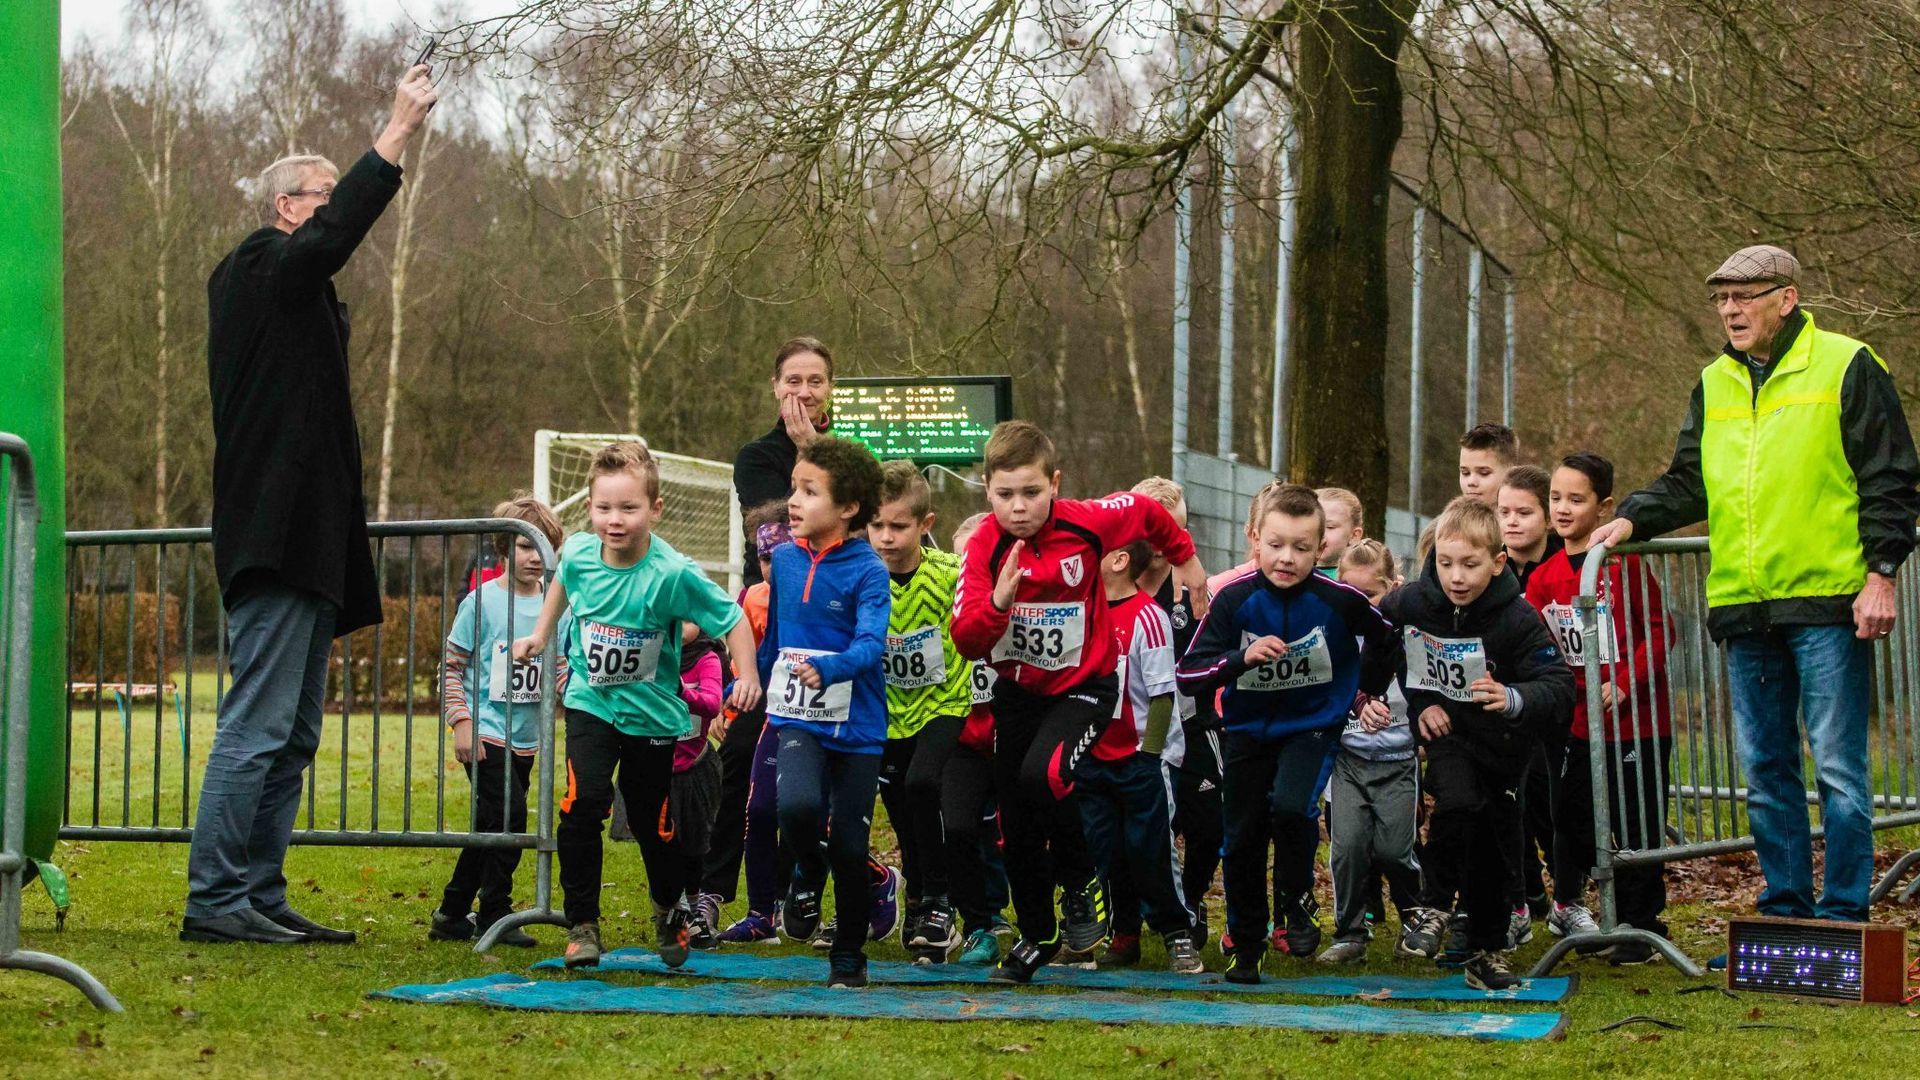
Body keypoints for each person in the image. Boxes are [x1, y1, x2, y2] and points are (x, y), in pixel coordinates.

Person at [184, 66, 439, 946]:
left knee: (291, 738)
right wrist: (396, 130)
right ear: (288, 208)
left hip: (313, 546)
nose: (335, 214)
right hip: (274, 536)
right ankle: (214, 899)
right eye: (323, 199)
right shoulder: (258, 266)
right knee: (254, 731)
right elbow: (331, 240)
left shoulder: (299, 293)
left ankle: (256, 891)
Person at [1594, 244, 1920, 930]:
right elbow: (1689, 480)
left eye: (1745, 295)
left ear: (1787, 298)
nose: (1730, 309)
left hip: (1831, 600)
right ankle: (1782, 912)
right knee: (1766, 773)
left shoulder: (1847, 364)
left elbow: (1891, 478)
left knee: (1836, 767)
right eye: (1720, 298)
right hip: (1745, 605)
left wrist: (1881, 574)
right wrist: (1628, 517)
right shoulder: (1713, 381)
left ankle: (1842, 918)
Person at [952, 421, 1210, 984]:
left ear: (1055, 484)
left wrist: (1185, 559)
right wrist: (999, 601)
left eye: (1031, 493)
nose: (1018, 508)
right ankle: (1038, 935)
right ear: (986, 490)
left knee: (1043, 774)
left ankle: (1081, 880)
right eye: (1004, 495)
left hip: (1085, 688)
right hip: (1019, 695)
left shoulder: (1087, 522)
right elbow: (968, 639)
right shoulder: (982, 549)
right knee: (1015, 823)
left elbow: (1148, 512)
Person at [510, 442, 762, 970]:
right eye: (604, 508)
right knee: (583, 805)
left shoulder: (672, 573)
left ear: (655, 509)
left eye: (628, 508)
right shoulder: (578, 552)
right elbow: (563, 584)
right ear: (590, 509)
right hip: (590, 703)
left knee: (652, 822)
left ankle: (669, 908)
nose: (614, 520)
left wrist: (748, 675)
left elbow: (733, 619)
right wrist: (539, 634)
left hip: (651, 715)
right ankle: (582, 925)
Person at [1177, 483, 1397, 984]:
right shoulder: (1235, 600)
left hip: (1312, 726)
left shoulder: (1338, 599)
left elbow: (1388, 635)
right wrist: (1239, 659)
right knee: (1243, 835)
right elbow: (1188, 672)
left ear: (1322, 548)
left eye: (1301, 548)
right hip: (1247, 732)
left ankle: (1297, 905)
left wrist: (1362, 691)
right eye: (1276, 545)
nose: (1287, 558)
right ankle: (1247, 943)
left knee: (1291, 805)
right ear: (1255, 539)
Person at [1380, 497, 1574, 990]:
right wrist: (1419, 702)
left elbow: (1557, 684)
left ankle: (1487, 953)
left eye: (1470, 565)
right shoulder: (1415, 601)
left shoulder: (1517, 618)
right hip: (1448, 737)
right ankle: (1433, 905)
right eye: (1445, 564)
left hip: (1505, 747)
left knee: (1494, 847)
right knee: (1459, 802)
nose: (1456, 578)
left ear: (1498, 562)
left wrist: (1510, 696)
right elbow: (1384, 635)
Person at [1530, 452, 1674, 965]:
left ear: (1604, 506)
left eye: (1577, 499)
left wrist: (1625, 683)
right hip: (1577, 726)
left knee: (1637, 827)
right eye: (1556, 499)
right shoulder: (1543, 578)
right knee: (1570, 818)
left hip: (1638, 725)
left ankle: (1640, 926)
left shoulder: (1624, 564)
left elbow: (1661, 632)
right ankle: (1574, 907)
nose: (1563, 509)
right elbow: (1540, 646)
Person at [760, 435, 892, 988]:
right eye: (794, 487)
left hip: (857, 726)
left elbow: (872, 644)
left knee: (851, 845)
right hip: (797, 718)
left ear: (847, 508)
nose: (793, 501)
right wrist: (751, 681)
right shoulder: (785, 561)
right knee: (794, 809)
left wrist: (832, 668)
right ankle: (807, 874)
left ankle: (848, 957)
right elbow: (777, 640)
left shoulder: (869, 571)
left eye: (809, 492)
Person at [429, 495, 570, 949]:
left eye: (544, 547)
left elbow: (561, 664)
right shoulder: (481, 601)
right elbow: (451, 666)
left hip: (528, 736)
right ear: (503, 549)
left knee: (492, 822)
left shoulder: (557, 604)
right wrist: (461, 722)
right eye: (526, 546)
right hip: (486, 730)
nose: (535, 556)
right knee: (507, 815)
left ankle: (452, 912)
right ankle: (495, 909)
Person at [1075, 538, 1205, 974]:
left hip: (1138, 758)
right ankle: (1124, 932)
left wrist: (1150, 758)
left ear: (1119, 559)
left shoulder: (1148, 617)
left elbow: (1163, 695)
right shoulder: (1083, 610)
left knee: (1149, 849)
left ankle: (1177, 932)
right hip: (1092, 758)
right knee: (1107, 849)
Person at [869, 461, 974, 961]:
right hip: (886, 713)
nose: (886, 537)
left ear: (925, 525)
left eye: (898, 526)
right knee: (905, 814)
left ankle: (940, 901)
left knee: (922, 784)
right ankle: (917, 901)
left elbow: (988, 599)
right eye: (877, 526)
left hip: (944, 703)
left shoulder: (951, 574)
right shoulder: (863, 580)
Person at [1319, 539, 1426, 965]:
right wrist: (1357, 705)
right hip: (1348, 761)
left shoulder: (1409, 638)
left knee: (1394, 851)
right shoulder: (1334, 636)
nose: (1359, 605)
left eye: (1370, 596)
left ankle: (1416, 921)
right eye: (1349, 593)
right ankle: (1349, 932)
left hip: (1399, 761)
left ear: (1394, 587)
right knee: (1348, 847)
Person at [1129, 477, 1222, 954]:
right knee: (1140, 824)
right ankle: (1131, 918)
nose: (1167, 545)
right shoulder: (1112, 582)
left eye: (1178, 532)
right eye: (1156, 533)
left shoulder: (1196, 587)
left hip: (1192, 718)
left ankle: (1192, 894)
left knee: (1207, 823)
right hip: (1131, 725)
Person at [704, 501, 792, 947]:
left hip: (808, 700)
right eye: (765, 557)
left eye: (783, 553)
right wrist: (724, 704)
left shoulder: (819, 591)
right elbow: (737, 660)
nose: (773, 567)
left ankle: (789, 892)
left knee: (796, 802)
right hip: (757, 698)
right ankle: (713, 892)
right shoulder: (750, 597)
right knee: (734, 773)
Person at [944, 512, 1015, 965]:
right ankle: (977, 925)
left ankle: (1044, 920)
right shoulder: (943, 605)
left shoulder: (1024, 601)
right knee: (959, 826)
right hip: (963, 740)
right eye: (962, 561)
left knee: (1023, 835)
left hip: (1015, 738)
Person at [1497, 463, 1562, 942]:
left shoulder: (1566, 564)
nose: (1512, 522)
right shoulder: (1488, 564)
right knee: (1508, 802)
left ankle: (1567, 896)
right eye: (1504, 512)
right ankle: (1522, 896)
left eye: (1523, 512)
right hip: (1502, 707)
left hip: (1554, 705)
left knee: (1552, 807)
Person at [734, 337, 836, 587]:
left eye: (815, 382)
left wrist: (814, 447)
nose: (804, 393)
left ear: (830, 388)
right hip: (772, 589)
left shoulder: (853, 450)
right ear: (776, 387)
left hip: (838, 583)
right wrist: (809, 449)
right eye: (793, 381)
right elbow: (783, 529)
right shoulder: (755, 457)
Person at [667, 628, 729, 941]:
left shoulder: (707, 657)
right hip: (656, 765)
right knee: (664, 845)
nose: (679, 626)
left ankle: (693, 909)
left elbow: (712, 703)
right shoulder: (653, 653)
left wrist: (680, 692)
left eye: (686, 618)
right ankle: (674, 910)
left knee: (694, 846)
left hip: (695, 767)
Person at [1457, 423, 1519, 506]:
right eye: (1465, 473)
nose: (1471, 482)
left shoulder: (1530, 516)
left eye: (1484, 473)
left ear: (1511, 474)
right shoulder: (1448, 518)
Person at [1316, 487, 1366, 574]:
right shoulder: (1291, 573)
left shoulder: (1358, 580)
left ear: (1354, 535)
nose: (1319, 533)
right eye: (1313, 525)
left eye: (1330, 527)